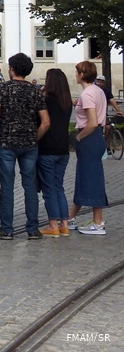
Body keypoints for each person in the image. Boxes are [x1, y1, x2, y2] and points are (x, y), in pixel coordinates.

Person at [0, 52, 49, 241]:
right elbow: (46, 122)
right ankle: (33, 228)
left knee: (7, 186)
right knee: (30, 186)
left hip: (7, 143)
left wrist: (2, 115)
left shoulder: (4, 89)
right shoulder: (35, 91)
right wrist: (34, 138)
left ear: (11, 69)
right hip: (29, 145)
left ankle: (7, 228)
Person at [67, 61, 109, 235]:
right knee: (88, 177)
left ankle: (97, 221)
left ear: (82, 75)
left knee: (89, 178)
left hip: (89, 137)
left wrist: (78, 137)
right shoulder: (98, 91)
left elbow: (92, 122)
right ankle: (71, 217)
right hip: (96, 138)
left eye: (77, 72)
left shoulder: (87, 94)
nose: (75, 75)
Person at [38, 68, 73, 237]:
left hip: (48, 148)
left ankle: (53, 224)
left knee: (49, 188)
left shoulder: (48, 101)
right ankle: (64, 223)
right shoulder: (66, 102)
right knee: (59, 186)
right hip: (63, 149)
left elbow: (43, 123)